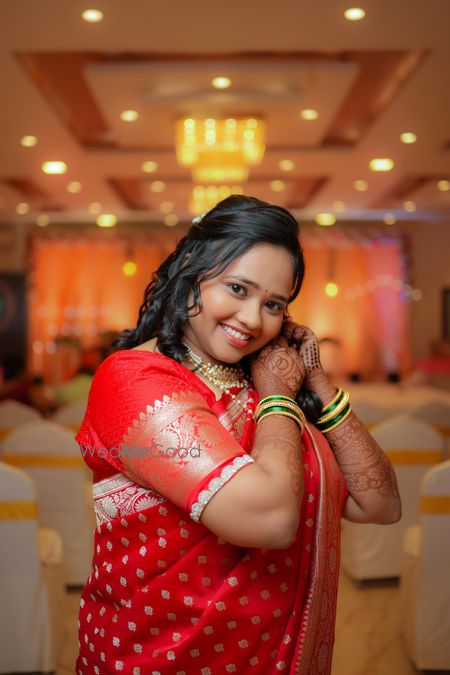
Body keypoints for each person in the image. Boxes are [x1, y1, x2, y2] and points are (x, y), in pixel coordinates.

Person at [75, 195, 401, 675]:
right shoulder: (134, 380)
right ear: (191, 270)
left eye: (273, 304)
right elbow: (269, 520)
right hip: (162, 655)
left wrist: (317, 384)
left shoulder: (264, 383)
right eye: (237, 288)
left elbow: (381, 504)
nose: (252, 319)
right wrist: (279, 395)